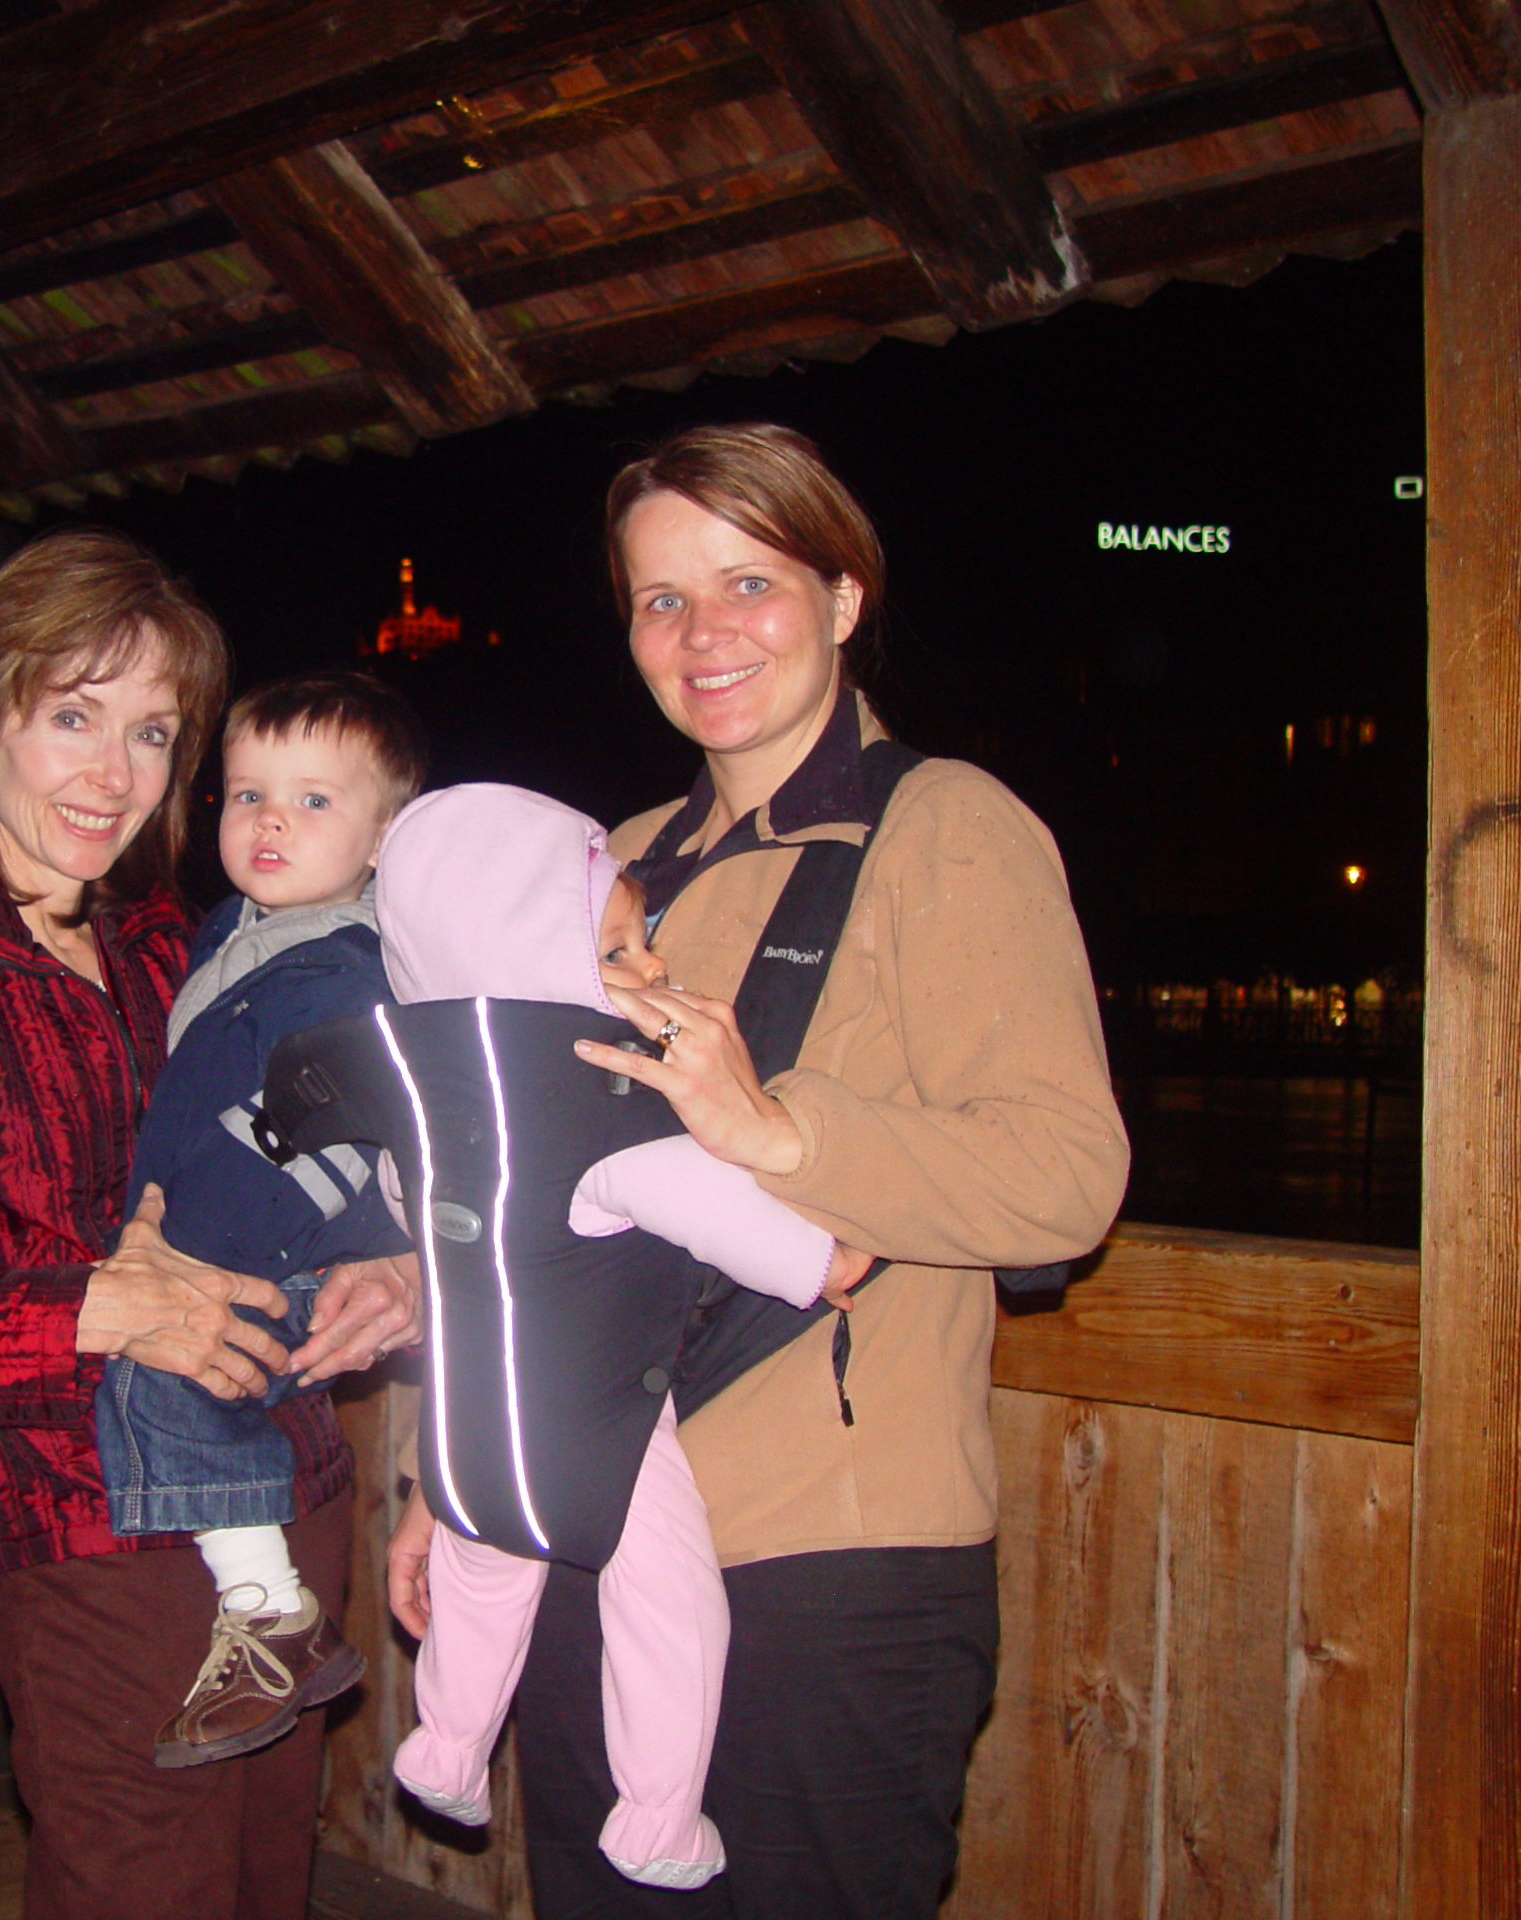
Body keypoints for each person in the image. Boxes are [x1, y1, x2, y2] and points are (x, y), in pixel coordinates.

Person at [386, 424, 1131, 1918]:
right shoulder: (613, 861)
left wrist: (779, 1133)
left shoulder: (948, 831)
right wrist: (449, 1477)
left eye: (750, 582)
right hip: (588, 1527)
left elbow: (1067, 1174)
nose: (703, 632)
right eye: (662, 600)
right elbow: (502, 1190)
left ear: (846, 598)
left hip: (834, 1555)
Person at [0, 528, 416, 1920]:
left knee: (263, 1873)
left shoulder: (192, 945)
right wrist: (90, 1307)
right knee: (138, 1883)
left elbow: (358, 1128)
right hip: (82, 1524)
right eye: (74, 716)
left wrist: (396, 1271)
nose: (115, 773)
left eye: (155, 731)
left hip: (296, 1494)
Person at [260, 782, 868, 1890]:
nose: (650, 974)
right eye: (621, 950)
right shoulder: (604, 1113)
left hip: (468, 1417)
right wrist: (823, 1254)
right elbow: (734, 1217)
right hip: (596, 1419)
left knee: (488, 1575)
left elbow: (408, 1204)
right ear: (521, 950)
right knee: (671, 1602)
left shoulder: (430, 1104)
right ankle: (658, 1817)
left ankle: (445, 1745)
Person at [93, 670, 426, 1770]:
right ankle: (267, 1610)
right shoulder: (236, 932)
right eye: (247, 795)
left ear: (386, 837)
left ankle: (267, 1609)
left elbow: (321, 1137)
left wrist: (194, 1251)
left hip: (260, 1253)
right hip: (222, 1242)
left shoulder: (347, 968)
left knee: (165, 1384)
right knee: (171, 1390)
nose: (271, 819)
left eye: (316, 800)